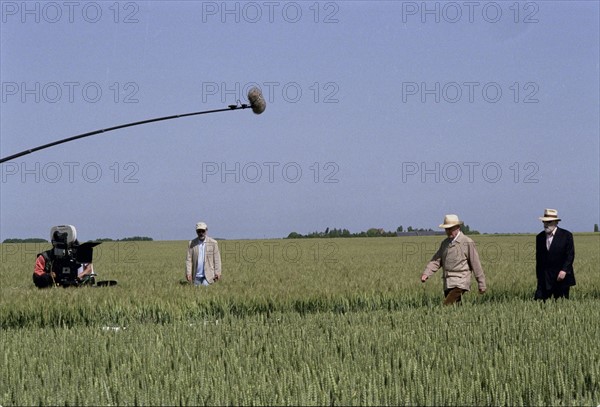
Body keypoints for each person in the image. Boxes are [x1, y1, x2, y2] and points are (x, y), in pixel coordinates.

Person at [420, 214, 486, 305]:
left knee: (446, 306)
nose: (448, 231)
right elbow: (436, 260)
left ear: (458, 227)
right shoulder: (445, 243)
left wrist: (481, 284)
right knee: (455, 309)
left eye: (450, 228)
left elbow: (476, 264)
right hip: (448, 282)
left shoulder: (467, 242)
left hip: (461, 282)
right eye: (446, 229)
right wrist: (426, 273)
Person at [535, 208, 576, 300]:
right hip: (545, 278)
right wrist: (539, 276)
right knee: (539, 302)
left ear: (556, 222)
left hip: (561, 277)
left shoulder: (566, 235)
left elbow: (570, 255)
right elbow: (539, 258)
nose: (546, 224)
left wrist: (564, 270)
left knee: (561, 304)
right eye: (544, 222)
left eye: (549, 222)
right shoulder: (539, 237)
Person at [185, 221, 222, 286]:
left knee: (205, 286)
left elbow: (217, 259)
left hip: (209, 275)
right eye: (199, 231)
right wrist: (188, 273)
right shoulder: (191, 243)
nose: (201, 233)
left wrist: (217, 273)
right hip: (196, 276)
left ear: (206, 230)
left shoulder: (213, 243)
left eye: (203, 231)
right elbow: (189, 260)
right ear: (196, 232)